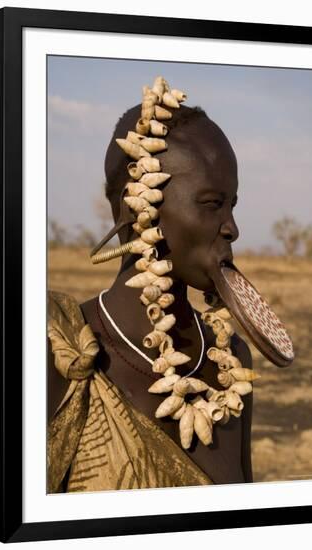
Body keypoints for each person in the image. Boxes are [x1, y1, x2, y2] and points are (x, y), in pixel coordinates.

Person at [47, 77, 256, 494]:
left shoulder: (231, 361)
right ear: (135, 207)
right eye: (212, 204)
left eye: (232, 205)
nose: (232, 228)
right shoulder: (60, 350)